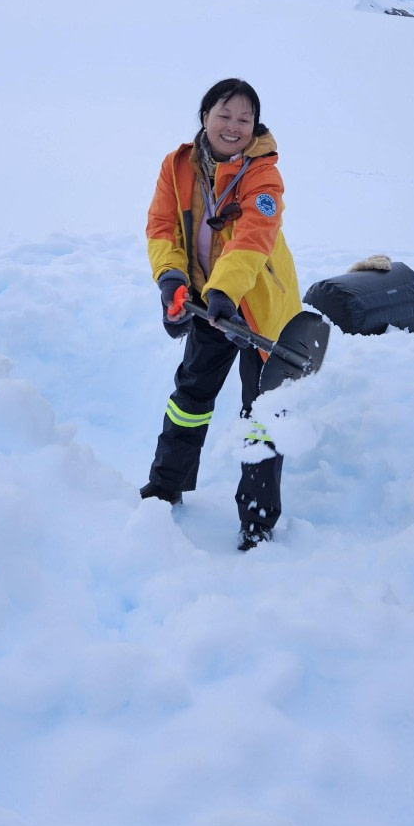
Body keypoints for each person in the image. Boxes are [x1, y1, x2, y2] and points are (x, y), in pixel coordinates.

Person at [140, 78, 304, 550]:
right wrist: (171, 279)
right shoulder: (178, 168)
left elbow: (254, 237)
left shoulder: (263, 174)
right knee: (190, 396)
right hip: (208, 304)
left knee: (262, 412)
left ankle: (257, 519)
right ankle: (166, 484)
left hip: (259, 308)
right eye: (224, 115)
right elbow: (162, 226)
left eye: (244, 119)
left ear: (255, 126)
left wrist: (224, 291)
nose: (233, 126)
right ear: (205, 116)